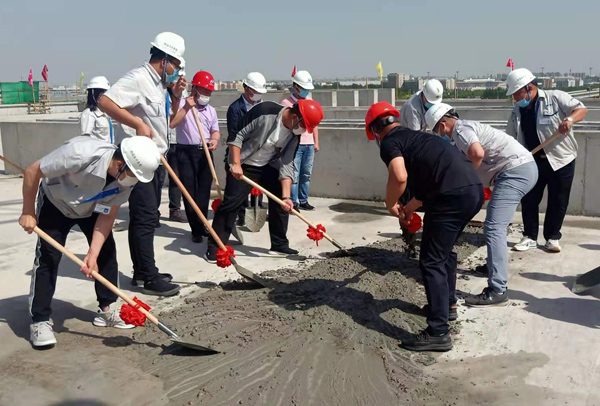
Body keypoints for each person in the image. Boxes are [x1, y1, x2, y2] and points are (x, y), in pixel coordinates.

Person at [19, 136, 161, 348]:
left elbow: (107, 215)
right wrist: (28, 211)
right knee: (48, 257)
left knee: (106, 253)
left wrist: (92, 254)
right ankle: (40, 320)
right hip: (56, 202)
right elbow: (33, 171)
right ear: (120, 165)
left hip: (92, 207)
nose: (135, 181)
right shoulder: (80, 153)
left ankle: (106, 309)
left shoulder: (125, 181)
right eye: (134, 175)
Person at [365, 101, 483, 352]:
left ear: (375, 130)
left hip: (450, 196)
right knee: (444, 252)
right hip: (471, 190)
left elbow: (399, 176)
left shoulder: (389, 142)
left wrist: (390, 203)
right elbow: (429, 183)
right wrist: (408, 208)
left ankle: (438, 332)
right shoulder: (417, 138)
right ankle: (447, 306)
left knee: (431, 262)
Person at [98, 32, 187, 296]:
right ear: (165, 60)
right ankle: (149, 276)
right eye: (176, 65)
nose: (177, 70)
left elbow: (165, 119)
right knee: (147, 218)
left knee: (142, 217)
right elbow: (105, 101)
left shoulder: (159, 85)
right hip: (139, 161)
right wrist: (136, 123)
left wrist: (176, 95)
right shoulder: (138, 78)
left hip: (157, 159)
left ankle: (141, 271)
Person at [426, 103, 538, 307]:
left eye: (436, 131)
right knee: (495, 226)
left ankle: (497, 290)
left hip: (514, 172)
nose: (438, 135)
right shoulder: (464, 131)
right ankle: (494, 266)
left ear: (442, 125)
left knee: (494, 227)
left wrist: (469, 179)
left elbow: (477, 154)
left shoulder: (460, 129)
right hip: (517, 170)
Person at [206, 99, 324, 261]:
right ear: (295, 117)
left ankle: (279, 244)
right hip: (243, 162)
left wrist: (286, 197)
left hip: (268, 164)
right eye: (304, 126)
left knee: (281, 201)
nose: (304, 131)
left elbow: (287, 164)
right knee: (231, 204)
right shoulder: (265, 111)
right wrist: (236, 164)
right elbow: (237, 135)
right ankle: (215, 248)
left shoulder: (294, 135)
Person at [505, 68, 588, 253]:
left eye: (517, 93)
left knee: (558, 200)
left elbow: (581, 109)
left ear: (529, 88)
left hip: (561, 159)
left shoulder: (555, 98)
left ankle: (552, 237)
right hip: (532, 161)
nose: (515, 98)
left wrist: (569, 120)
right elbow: (510, 136)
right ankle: (530, 236)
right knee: (529, 199)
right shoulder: (517, 110)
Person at [170, 70, 220, 244]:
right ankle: (195, 229)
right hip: (186, 152)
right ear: (195, 89)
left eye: (209, 92)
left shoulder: (211, 110)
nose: (207, 95)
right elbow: (172, 123)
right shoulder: (182, 104)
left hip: (205, 152)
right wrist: (186, 108)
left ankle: (203, 223)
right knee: (189, 193)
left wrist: (214, 140)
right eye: (205, 90)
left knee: (203, 193)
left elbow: (215, 131)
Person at [226, 72, 268, 226]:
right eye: (256, 91)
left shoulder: (263, 107)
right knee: (240, 188)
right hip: (241, 155)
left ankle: (257, 207)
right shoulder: (235, 109)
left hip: (259, 154)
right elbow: (235, 135)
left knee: (258, 186)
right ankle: (241, 214)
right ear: (246, 88)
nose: (258, 95)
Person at [281, 70, 319, 211]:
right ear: (296, 86)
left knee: (306, 174)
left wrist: (316, 141)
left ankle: (304, 200)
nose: (306, 91)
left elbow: (314, 124)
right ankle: (293, 202)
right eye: (304, 88)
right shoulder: (287, 103)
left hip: (309, 144)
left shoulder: (310, 103)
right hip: (295, 145)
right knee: (294, 175)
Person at [80, 76, 113, 143]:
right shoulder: (89, 114)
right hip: (97, 149)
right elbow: (85, 139)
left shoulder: (105, 114)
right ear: (98, 96)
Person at [166, 126, 187, 223]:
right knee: (157, 178)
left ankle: (174, 210)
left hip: (177, 141)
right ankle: (153, 212)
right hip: (159, 141)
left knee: (176, 179)